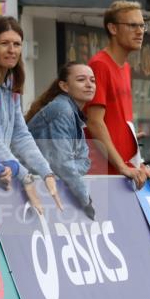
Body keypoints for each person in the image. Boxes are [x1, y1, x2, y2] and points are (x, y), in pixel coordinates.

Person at [0, 16, 62, 213]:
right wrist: (25, 176)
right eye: (4, 43)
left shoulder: (10, 80)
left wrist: (46, 172)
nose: (12, 50)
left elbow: (20, 135)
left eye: (17, 44)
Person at [86, 0, 150, 190]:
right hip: (104, 176)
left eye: (142, 26)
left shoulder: (126, 67)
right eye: (132, 25)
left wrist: (138, 165)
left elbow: (120, 124)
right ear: (112, 28)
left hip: (123, 174)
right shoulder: (100, 65)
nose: (140, 31)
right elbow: (94, 122)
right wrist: (122, 166)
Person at [25, 62, 98, 217]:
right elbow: (63, 164)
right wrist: (86, 199)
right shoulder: (62, 109)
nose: (89, 85)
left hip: (44, 186)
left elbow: (84, 161)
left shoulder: (71, 111)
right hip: (27, 188)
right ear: (64, 86)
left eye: (92, 80)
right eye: (81, 80)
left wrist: (68, 170)